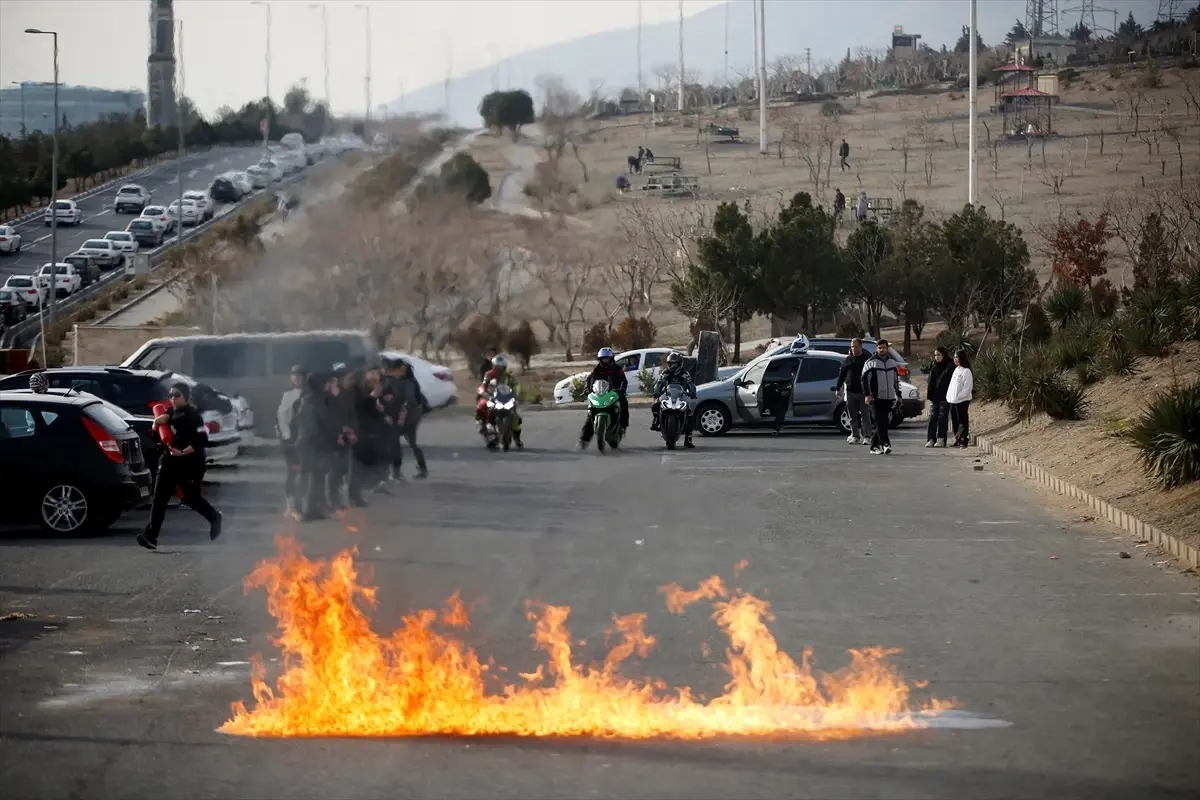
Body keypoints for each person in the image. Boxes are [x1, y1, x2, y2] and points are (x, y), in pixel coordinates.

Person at [137, 382, 222, 550]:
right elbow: (160, 439)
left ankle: (214, 517)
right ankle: (151, 536)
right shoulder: (168, 413)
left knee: (191, 499)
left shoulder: (194, 416)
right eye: (170, 395)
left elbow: (201, 440)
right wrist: (155, 425)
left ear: (186, 396)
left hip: (188, 464)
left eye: (177, 395)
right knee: (159, 498)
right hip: (168, 462)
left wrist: (183, 453)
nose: (173, 399)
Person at [381, 355, 431, 479]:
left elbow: (410, 400)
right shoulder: (404, 380)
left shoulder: (405, 382)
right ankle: (421, 468)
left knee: (395, 442)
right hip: (408, 416)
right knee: (411, 443)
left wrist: (401, 415)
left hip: (406, 417)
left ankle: (396, 471)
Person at [293, 372, 331, 521]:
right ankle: (299, 509)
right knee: (305, 476)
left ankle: (312, 508)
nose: (328, 385)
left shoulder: (318, 399)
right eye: (326, 382)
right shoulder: (309, 400)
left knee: (317, 477)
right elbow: (308, 426)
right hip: (308, 444)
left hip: (316, 443)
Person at [326, 363, 363, 509]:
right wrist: (340, 431)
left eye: (350, 377)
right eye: (346, 377)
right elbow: (329, 417)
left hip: (348, 437)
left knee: (347, 469)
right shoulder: (329, 396)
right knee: (334, 470)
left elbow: (352, 415)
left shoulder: (349, 394)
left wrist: (353, 432)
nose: (350, 380)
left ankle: (350, 496)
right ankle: (332, 499)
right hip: (334, 437)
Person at [578, 347, 630, 447]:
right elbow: (590, 379)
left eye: (607, 358)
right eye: (603, 359)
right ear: (600, 359)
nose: (605, 361)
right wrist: (587, 389)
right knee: (591, 414)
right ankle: (584, 440)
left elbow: (624, 380)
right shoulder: (597, 368)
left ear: (611, 359)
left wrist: (621, 389)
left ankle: (623, 426)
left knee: (624, 402)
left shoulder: (617, 369)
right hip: (600, 393)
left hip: (614, 392)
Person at [276, 364, 306, 519]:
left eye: (301, 376)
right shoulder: (288, 396)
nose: (298, 379)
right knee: (293, 473)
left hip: (305, 441)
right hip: (291, 442)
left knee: (304, 474)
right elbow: (282, 419)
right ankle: (292, 506)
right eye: (296, 376)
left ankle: (299, 504)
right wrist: (288, 439)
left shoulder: (309, 395)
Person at [649, 352, 697, 449]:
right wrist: (657, 392)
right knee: (655, 405)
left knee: (689, 413)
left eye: (674, 364)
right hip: (667, 395)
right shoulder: (665, 373)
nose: (672, 366)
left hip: (681, 395)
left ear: (679, 364)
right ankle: (656, 421)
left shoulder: (685, 374)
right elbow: (659, 383)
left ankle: (688, 439)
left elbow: (691, 384)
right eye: (670, 364)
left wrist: (692, 392)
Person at [862, 339, 902, 455]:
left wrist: (898, 395)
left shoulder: (892, 362)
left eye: (884, 348)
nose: (882, 350)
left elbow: (896, 380)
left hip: (888, 397)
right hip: (875, 398)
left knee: (883, 423)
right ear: (876, 349)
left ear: (887, 349)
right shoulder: (870, 363)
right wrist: (867, 395)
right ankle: (886, 444)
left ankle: (874, 446)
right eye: (879, 348)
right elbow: (864, 379)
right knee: (879, 421)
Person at [478, 355, 524, 448]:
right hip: (493, 397)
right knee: (488, 411)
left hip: (506, 397)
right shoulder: (489, 375)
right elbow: (483, 386)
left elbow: (516, 385)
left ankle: (517, 439)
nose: (500, 369)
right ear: (494, 366)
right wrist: (485, 393)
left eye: (501, 367)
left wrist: (515, 394)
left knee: (516, 418)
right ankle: (487, 429)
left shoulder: (509, 375)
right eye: (497, 367)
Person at [836, 338, 873, 445]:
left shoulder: (866, 359)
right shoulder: (848, 359)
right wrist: (838, 388)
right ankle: (855, 435)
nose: (853, 348)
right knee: (852, 415)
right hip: (850, 391)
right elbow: (842, 375)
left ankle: (867, 436)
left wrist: (869, 392)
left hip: (863, 392)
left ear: (861, 347)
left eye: (856, 346)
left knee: (865, 415)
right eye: (852, 346)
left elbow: (871, 376)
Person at [925, 347, 954, 448]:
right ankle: (931, 439)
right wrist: (930, 395)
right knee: (933, 417)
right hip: (935, 397)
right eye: (935, 355)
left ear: (944, 355)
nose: (936, 357)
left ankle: (941, 439)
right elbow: (931, 382)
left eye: (939, 355)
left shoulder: (950, 367)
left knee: (942, 418)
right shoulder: (934, 366)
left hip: (945, 397)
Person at [947, 350, 974, 448]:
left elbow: (967, 388)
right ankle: (957, 439)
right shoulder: (957, 369)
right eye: (954, 357)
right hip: (953, 401)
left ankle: (963, 440)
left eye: (957, 357)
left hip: (962, 401)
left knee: (962, 421)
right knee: (955, 421)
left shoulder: (966, 371)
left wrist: (959, 397)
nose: (955, 359)